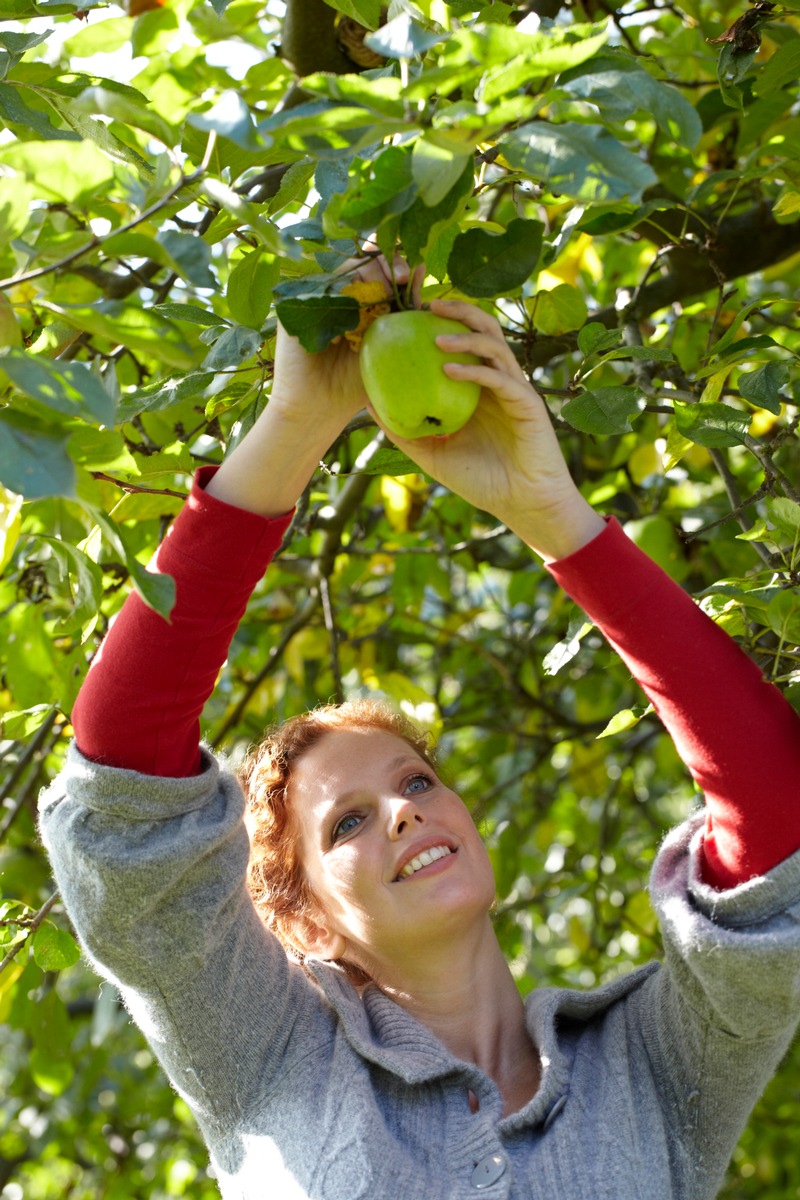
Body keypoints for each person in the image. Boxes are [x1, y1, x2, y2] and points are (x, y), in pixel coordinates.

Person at [39, 253, 800, 1200]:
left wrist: (554, 515)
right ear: (303, 918)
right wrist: (293, 426)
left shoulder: (654, 1065)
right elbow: (123, 794)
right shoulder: (267, 1056)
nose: (401, 813)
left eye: (415, 783)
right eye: (346, 824)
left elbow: (775, 839)